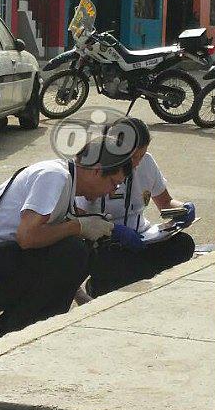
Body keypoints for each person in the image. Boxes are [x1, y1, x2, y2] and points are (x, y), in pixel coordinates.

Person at [0, 123, 133, 342]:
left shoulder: (65, 180)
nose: (111, 192)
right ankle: (9, 333)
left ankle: (42, 330)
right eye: (113, 183)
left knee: (82, 246)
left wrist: (76, 292)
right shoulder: (54, 176)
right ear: (96, 170)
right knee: (74, 249)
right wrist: (79, 226)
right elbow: (27, 237)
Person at [75, 117, 196, 298]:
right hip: (104, 240)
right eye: (133, 157)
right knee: (119, 261)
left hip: (141, 236)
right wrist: (112, 230)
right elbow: (78, 216)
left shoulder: (146, 162)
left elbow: (165, 202)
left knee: (183, 245)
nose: (138, 162)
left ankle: (124, 281)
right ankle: (103, 285)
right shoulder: (95, 167)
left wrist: (182, 209)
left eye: (141, 155)